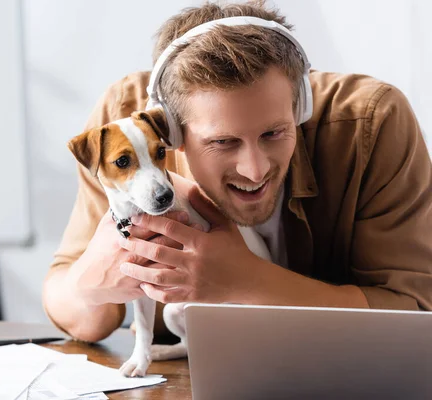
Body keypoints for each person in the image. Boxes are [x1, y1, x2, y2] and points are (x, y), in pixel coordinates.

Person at [42, 1, 432, 343]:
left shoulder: (372, 122)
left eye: (274, 133)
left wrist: (246, 281)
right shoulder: (127, 130)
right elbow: (76, 313)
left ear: (300, 108)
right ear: (173, 133)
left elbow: (415, 315)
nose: (255, 169)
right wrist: (88, 287)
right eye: (222, 142)